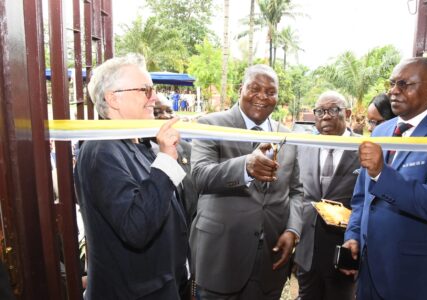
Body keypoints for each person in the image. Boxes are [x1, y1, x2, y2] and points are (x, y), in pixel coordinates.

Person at [342, 57, 427, 300]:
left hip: (412, 277)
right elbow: (363, 197)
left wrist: (383, 173)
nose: (394, 91)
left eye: (405, 84)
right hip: (368, 271)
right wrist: (353, 236)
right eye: (393, 83)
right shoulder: (382, 131)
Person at [74, 53, 190, 299]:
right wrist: (167, 158)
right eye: (145, 90)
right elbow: (137, 227)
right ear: (113, 99)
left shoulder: (139, 144)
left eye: (153, 89)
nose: (154, 97)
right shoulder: (101, 150)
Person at [189, 64, 303, 300]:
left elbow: (296, 191)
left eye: (270, 92)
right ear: (241, 89)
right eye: (254, 88)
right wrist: (245, 167)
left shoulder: (287, 136)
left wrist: (292, 229)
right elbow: (200, 176)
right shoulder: (211, 124)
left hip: (270, 262)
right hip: (221, 257)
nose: (262, 97)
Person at [294, 91, 359, 300]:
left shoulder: (365, 149)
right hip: (307, 253)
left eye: (333, 110)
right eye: (320, 111)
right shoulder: (303, 146)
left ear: (347, 113)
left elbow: (368, 203)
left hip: (343, 254)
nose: (326, 116)